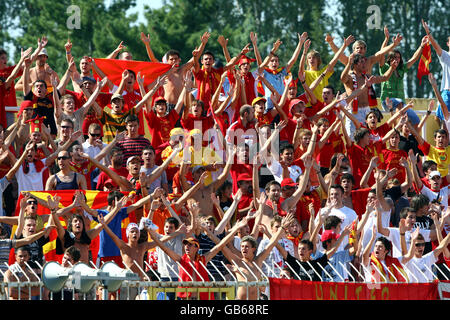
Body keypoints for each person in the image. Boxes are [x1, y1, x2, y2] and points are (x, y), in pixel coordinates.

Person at [421, 20, 450, 123]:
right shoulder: (446, 56)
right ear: (448, 43)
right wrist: (428, 32)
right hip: (447, 91)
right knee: (443, 120)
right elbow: (435, 45)